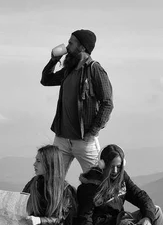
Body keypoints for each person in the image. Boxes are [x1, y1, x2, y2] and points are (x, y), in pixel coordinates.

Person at [41, 29, 114, 175]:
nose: (67, 47)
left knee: (98, 181)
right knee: (51, 180)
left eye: (71, 43)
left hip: (85, 140)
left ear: (82, 47)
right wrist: (53, 60)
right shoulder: (69, 70)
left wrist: (93, 132)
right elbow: (46, 80)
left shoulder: (95, 70)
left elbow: (107, 103)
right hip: (62, 138)